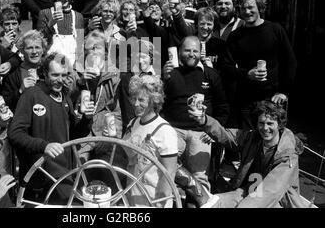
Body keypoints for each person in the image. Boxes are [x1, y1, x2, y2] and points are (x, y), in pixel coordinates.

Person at [8, 53, 95, 203]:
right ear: (44, 73)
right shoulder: (31, 95)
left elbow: (74, 135)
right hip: (40, 177)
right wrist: (44, 146)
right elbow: (14, 133)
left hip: (66, 174)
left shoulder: (64, 96)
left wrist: (87, 119)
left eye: (63, 75)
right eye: (54, 75)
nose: (60, 80)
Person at [188, 100, 308, 208]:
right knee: (212, 203)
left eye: (270, 123)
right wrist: (204, 120)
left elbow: (271, 190)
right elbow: (226, 135)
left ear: (280, 125)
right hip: (248, 191)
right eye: (261, 123)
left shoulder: (288, 155)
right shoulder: (252, 137)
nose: (265, 128)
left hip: (278, 201)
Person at [220, 0, 297, 130]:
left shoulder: (275, 30)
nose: (247, 12)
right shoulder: (235, 36)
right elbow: (225, 67)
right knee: (248, 141)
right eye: (243, 8)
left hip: (272, 98)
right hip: (246, 100)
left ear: (259, 7)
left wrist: (283, 91)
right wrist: (246, 74)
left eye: (250, 7)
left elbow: (290, 62)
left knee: (271, 141)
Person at [161, 36, 229, 192]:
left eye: (195, 51)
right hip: (173, 131)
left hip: (201, 133)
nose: (191, 54)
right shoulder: (170, 72)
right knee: (164, 170)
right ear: (179, 52)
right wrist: (163, 79)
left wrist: (214, 132)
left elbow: (223, 107)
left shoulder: (210, 74)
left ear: (200, 53)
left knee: (200, 178)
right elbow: (158, 102)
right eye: (187, 50)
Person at [122, 74, 178, 207]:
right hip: (133, 194)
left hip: (153, 200)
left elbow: (169, 173)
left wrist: (160, 202)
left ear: (154, 100)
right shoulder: (133, 123)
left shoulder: (165, 131)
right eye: (134, 98)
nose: (136, 104)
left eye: (141, 100)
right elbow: (130, 157)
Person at [37, 0, 85, 66]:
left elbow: (80, 45)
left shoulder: (78, 16)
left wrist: (77, 68)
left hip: (72, 65)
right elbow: (38, 41)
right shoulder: (45, 13)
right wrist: (51, 23)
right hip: (51, 65)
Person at [1, 30, 48, 113]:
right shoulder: (13, 74)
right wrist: (20, 91)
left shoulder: (48, 71)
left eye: (37, 47)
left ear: (43, 50)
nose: (34, 52)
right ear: (22, 50)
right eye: (29, 48)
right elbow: (6, 103)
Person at [193, 7, 226, 72]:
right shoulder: (189, 43)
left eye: (209, 24)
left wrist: (212, 69)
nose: (205, 27)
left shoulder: (221, 45)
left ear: (214, 25)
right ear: (197, 24)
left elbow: (224, 71)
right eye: (202, 24)